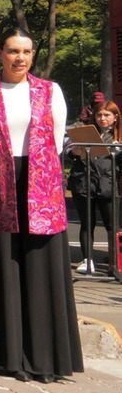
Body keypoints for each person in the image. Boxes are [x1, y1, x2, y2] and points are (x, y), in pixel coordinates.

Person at [0, 28, 83, 382]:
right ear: (0, 54)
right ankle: (7, 356)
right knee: (2, 266)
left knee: (39, 269)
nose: (20, 58)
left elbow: (55, 139)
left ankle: (45, 357)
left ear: (32, 55)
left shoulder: (50, 91)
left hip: (40, 187)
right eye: (12, 51)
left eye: (26, 51)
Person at [66, 100, 120, 275]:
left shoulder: (118, 136)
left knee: (112, 225)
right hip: (84, 183)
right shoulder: (86, 132)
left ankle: (115, 261)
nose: (102, 119)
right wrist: (74, 152)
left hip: (108, 185)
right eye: (99, 115)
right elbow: (68, 151)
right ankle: (87, 260)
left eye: (107, 115)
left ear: (115, 117)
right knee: (86, 224)